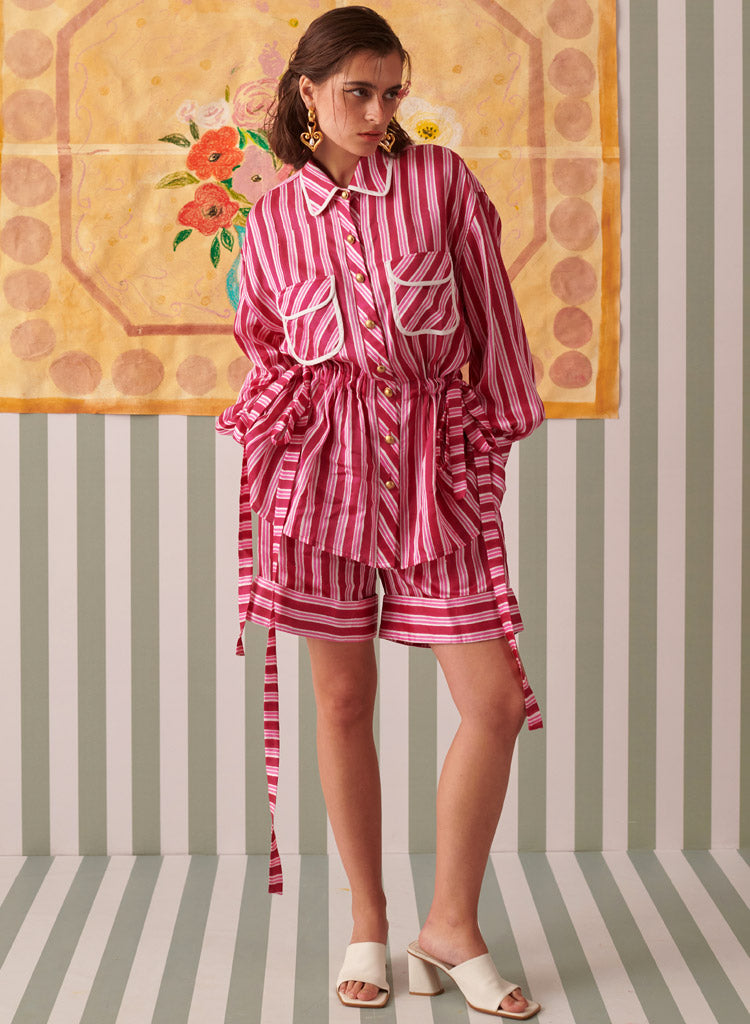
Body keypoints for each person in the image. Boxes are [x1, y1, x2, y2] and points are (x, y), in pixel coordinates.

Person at [217, 6, 544, 1019]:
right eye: (356, 91)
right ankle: (367, 918)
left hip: (433, 464)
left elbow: (493, 317)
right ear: (307, 95)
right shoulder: (272, 220)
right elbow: (265, 348)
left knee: (493, 702)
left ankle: (450, 925)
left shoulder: (443, 184)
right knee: (343, 700)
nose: (377, 111)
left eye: (392, 91)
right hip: (321, 472)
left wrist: (489, 440)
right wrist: (274, 438)